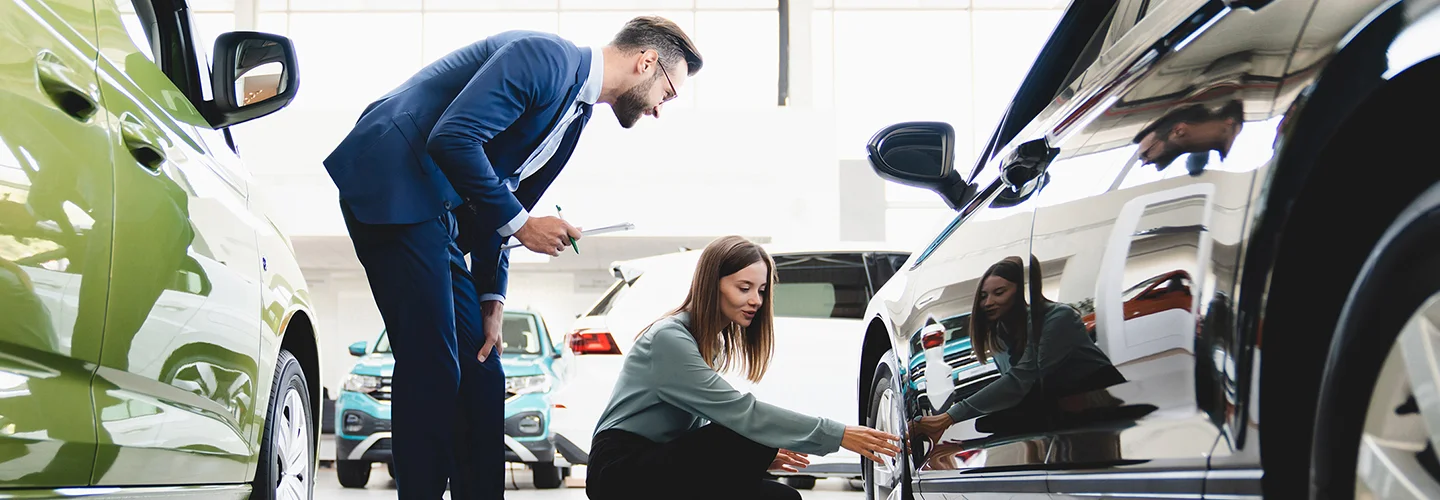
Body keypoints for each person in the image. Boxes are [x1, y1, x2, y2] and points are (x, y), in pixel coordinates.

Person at [320, 16, 703, 500]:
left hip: (435, 213)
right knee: (434, 363)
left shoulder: (574, 116)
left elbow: (498, 199)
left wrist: (491, 298)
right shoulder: (545, 58)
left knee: (482, 367)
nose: (658, 111)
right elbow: (453, 138)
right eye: (667, 94)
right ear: (645, 62)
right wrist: (524, 225)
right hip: (394, 182)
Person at [586, 236, 902, 500]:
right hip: (619, 469)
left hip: (658, 459)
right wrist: (839, 434)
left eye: (762, 290)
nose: (756, 300)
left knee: (783, 497)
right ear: (712, 284)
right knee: (744, 434)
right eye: (744, 287)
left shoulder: (708, 342)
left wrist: (753, 455)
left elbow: (696, 426)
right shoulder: (668, 338)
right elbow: (739, 413)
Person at [913, 256, 1125, 439]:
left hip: (1101, 404)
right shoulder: (1000, 333)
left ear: (1022, 292)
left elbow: (1023, 379)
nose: (988, 302)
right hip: (1059, 410)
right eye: (984, 296)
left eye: (999, 292)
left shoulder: (1058, 318)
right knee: (983, 425)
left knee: (986, 426)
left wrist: (950, 416)